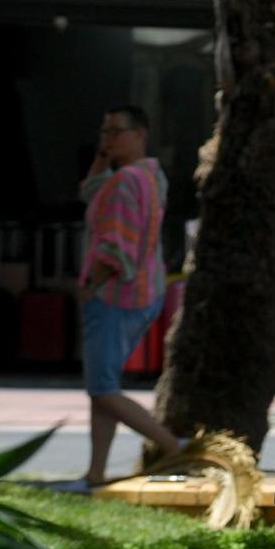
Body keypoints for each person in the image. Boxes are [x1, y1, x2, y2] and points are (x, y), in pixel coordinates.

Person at [70, 105, 182, 490]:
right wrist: (104, 155)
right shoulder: (151, 176)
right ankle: (95, 474)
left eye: (116, 132)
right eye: (104, 132)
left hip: (114, 294)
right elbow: (89, 191)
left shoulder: (124, 182)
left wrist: (90, 285)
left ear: (140, 134)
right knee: (105, 388)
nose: (108, 138)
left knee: (101, 388)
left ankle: (175, 449)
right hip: (145, 291)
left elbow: (114, 247)